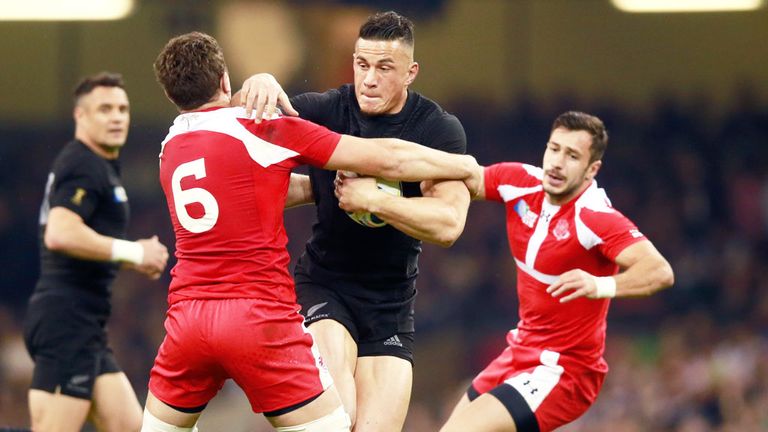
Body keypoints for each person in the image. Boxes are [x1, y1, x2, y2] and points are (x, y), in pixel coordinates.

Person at [144, 31, 478, 432]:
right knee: (335, 425)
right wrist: (466, 167)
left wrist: (333, 189)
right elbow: (387, 158)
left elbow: (257, 187)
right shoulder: (261, 128)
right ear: (225, 80)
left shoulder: (169, 145)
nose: (369, 78)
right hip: (259, 315)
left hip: (187, 320)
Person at [238, 11, 469, 431]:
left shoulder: (437, 130)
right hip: (325, 285)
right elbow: (232, 131)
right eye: (362, 64)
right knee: (336, 419)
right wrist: (259, 85)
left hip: (391, 304)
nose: (369, 79)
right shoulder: (327, 109)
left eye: (384, 68)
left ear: (411, 73)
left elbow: (449, 224)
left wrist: (375, 199)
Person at [415, 111, 673, 432]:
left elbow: (659, 271)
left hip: (565, 371)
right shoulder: (521, 182)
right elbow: (469, 179)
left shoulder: (594, 216)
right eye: (554, 149)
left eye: (572, 156)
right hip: (520, 352)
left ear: (592, 170)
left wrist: (599, 284)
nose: (558, 162)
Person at [22, 72, 170, 432]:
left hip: (86, 326)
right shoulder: (83, 163)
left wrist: (133, 257)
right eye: (104, 109)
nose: (116, 117)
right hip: (66, 322)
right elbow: (60, 232)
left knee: (128, 426)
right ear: (81, 116)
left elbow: (80, 239)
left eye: (122, 109)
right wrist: (134, 253)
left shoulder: (100, 166)